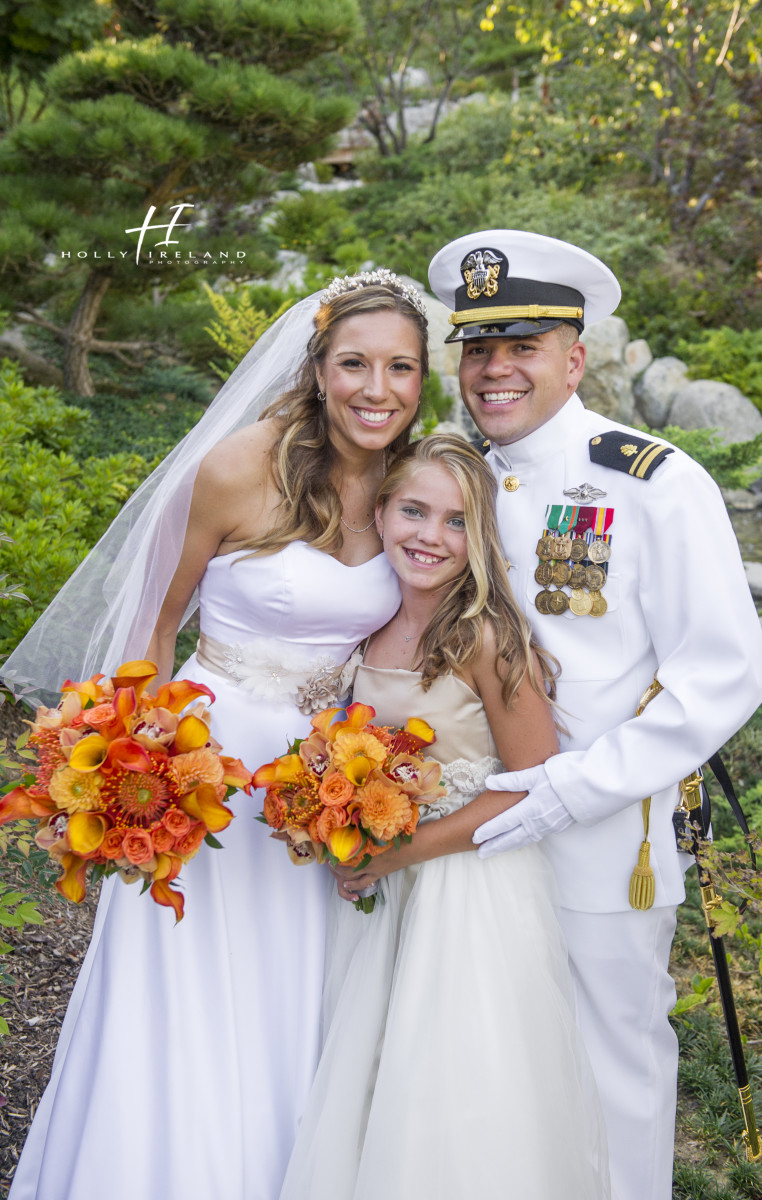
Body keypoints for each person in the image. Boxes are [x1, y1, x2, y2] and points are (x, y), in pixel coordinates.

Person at [1, 270, 428, 1200]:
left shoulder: (413, 485)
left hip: (319, 779)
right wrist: (133, 763)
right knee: (184, 989)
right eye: (354, 363)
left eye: (401, 368)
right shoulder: (241, 465)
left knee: (294, 989)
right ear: (318, 367)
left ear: (423, 380)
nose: (376, 388)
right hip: (207, 765)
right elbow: (153, 627)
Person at [425, 230, 762, 1200]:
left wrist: (578, 789)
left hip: (604, 831)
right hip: (462, 822)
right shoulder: (448, 476)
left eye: (522, 346)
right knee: (482, 1059)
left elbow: (725, 673)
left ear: (575, 359)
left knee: (612, 1064)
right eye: (479, 348)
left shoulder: (651, 483)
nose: (495, 371)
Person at [278, 435, 610, 1200]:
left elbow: (533, 785)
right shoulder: (369, 628)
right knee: (375, 1060)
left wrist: (405, 849)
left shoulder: (487, 640)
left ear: (481, 537)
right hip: (386, 883)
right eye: (414, 511)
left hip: (469, 888)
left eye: (456, 521)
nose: (430, 536)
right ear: (382, 513)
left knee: (454, 1072)